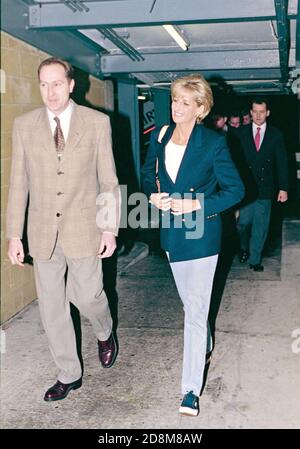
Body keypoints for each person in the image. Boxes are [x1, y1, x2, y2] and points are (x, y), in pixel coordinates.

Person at [6, 57, 120, 402]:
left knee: (87, 296)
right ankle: (68, 374)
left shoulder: (96, 123)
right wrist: (13, 234)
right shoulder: (24, 125)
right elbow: (18, 183)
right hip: (42, 232)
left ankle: (104, 331)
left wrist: (109, 228)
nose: (50, 91)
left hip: (85, 227)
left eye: (57, 83)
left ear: (72, 85)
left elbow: (108, 180)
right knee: (52, 307)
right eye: (44, 84)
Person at [142, 74, 244, 416]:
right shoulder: (160, 136)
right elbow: (148, 173)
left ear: (200, 109)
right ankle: (206, 341)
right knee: (192, 306)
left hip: (202, 234)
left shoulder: (213, 143)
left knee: (195, 312)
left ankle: (189, 390)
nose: (177, 107)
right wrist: (152, 195)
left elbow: (235, 190)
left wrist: (196, 204)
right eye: (174, 100)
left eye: (185, 103)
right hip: (172, 233)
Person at [235, 97, 288, 271]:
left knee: (261, 226)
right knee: (243, 224)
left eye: (262, 112)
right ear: (251, 113)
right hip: (245, 189)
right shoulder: (240, 133)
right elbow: (233, 161)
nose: (258, 116)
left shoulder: (276, 135)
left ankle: (255, 260)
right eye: (255, 112)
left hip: (265, 188)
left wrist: (283, 188)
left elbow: (282, 162)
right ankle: (243, 248)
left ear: (268, 113)